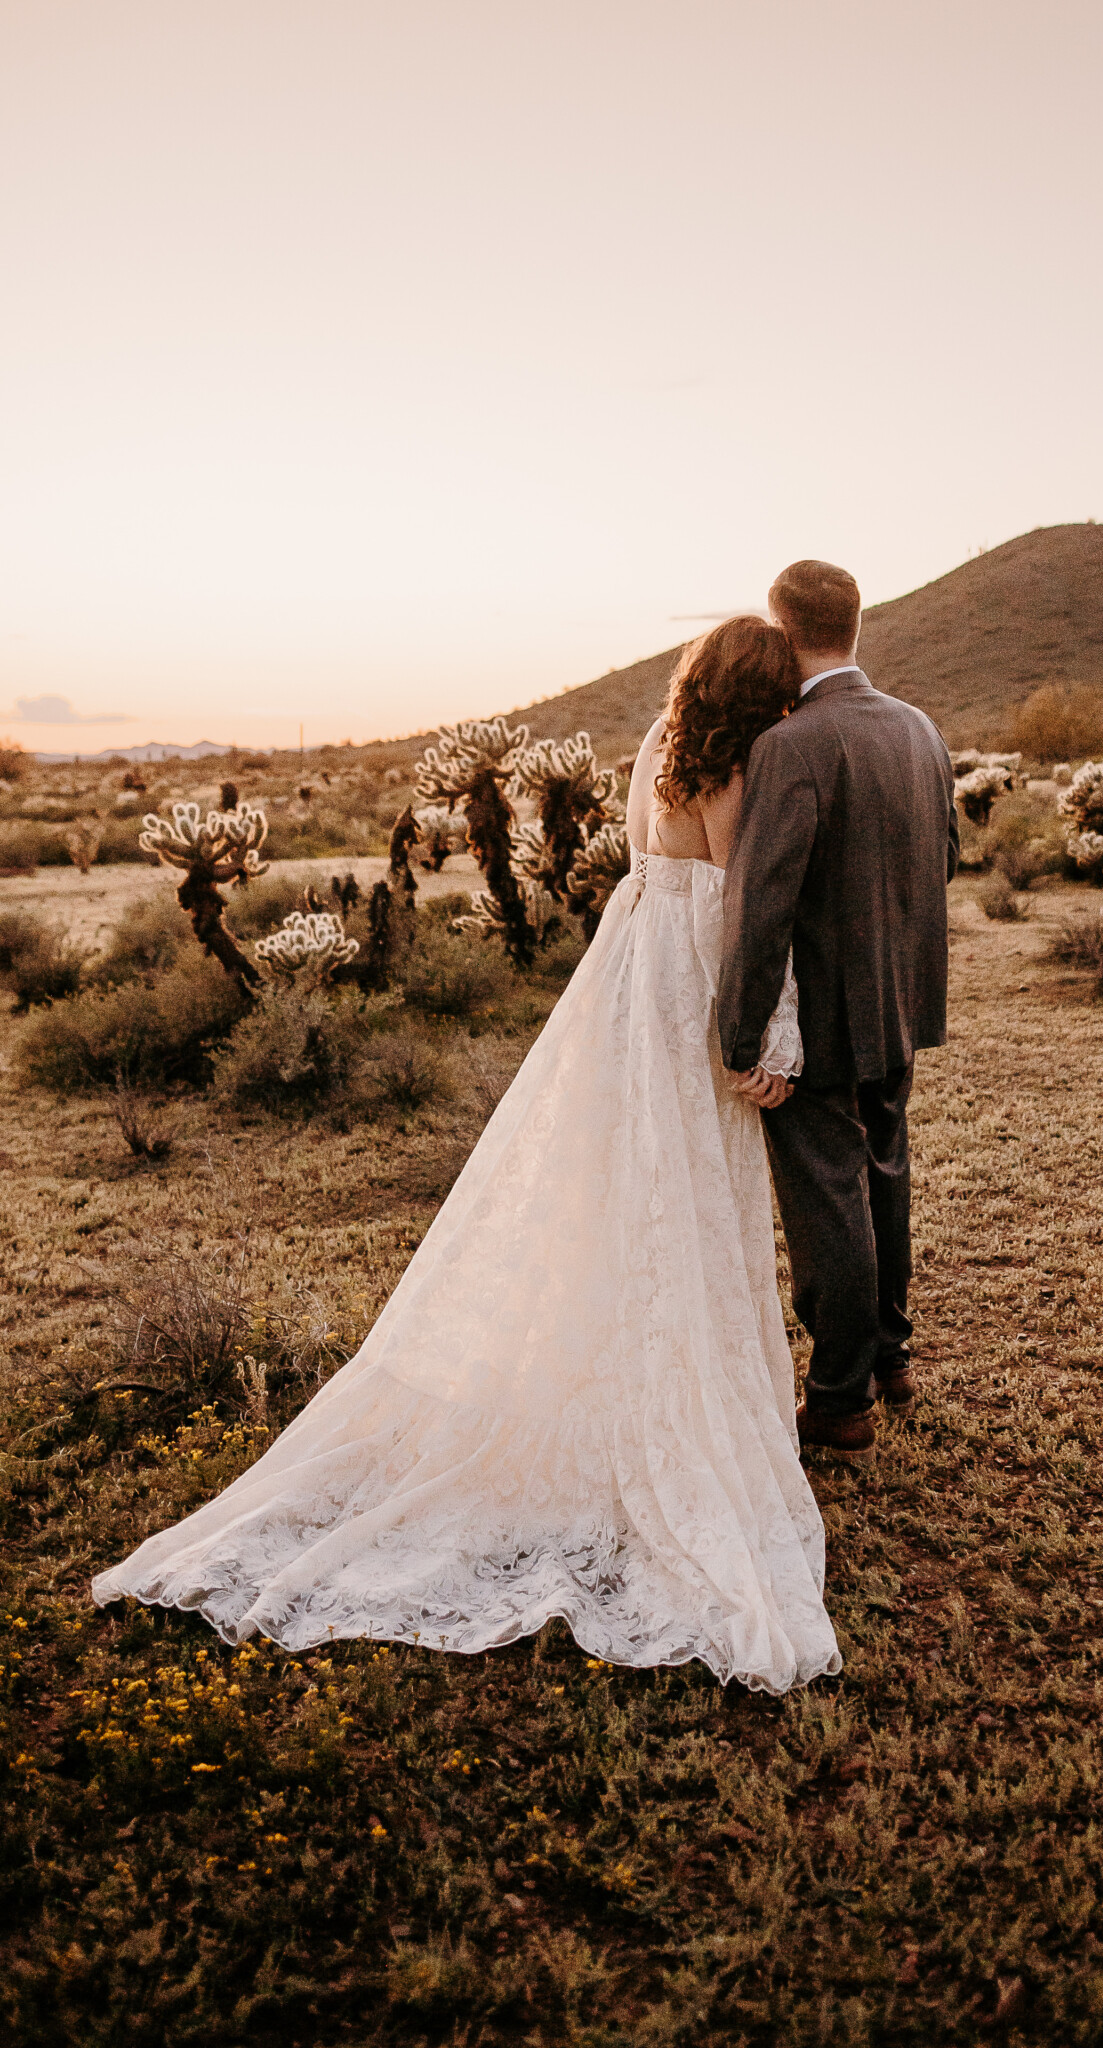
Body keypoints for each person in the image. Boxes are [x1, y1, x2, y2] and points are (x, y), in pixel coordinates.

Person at [93, 616, 841, 1696]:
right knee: (689, 1193)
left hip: (628, 984)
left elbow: (644, 878)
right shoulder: (742, 770)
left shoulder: (659, 743)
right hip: (690, 994)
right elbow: (737, 915)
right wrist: (772, 1039)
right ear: (767, 694)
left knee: (621, 1183)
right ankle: (674, 1406)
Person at [718, 561, 959, 1462]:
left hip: (820, 1014)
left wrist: (745, 1038)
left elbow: (762, 904)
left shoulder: (791, 745)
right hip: (901, 1001)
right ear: (856, 623)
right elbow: (942, 858)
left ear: (783, 632)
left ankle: (838, 1400)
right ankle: (892, 1357)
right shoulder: (919, 727)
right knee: (883, 1175)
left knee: (830, 1206)